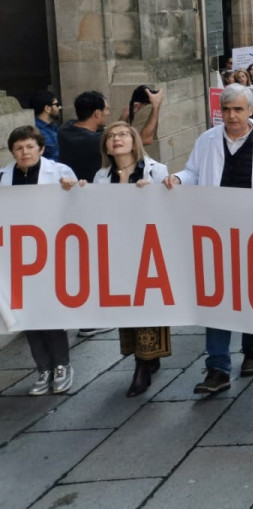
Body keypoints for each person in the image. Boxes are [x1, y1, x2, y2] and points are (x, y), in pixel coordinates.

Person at [166, 84, 253, 395]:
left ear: (251, 110)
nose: (232, 116)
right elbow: (194, 172)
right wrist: (178, 178)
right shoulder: (207, 140)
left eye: (238, 109)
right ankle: (217, 366)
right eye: (227, 109)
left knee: (251, 293)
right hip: (216, 232)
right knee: (216, 296)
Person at [91, 121, 172, 396]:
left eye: (123, 134)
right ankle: (145, 357)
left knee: (148, 305)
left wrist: (155, 193)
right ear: (106, 146)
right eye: (111, 136)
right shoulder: (101, 177)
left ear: (134, 141)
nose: (117, 139)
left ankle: (143, 365)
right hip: (118, 249)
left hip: (149, 248)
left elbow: (170, 207)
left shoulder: (155, 170)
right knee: (127, 306)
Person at [1, 125, 79, 396]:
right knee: (27, 314)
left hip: (50, 252)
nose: (24, 152)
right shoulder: (3, 177)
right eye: (19, 148)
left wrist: (71, 189)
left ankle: (62, 365)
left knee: (49, 311)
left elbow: (78, 206)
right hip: (16, 257)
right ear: (12, 152)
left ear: (41, 149)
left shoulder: (59, 173)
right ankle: (43, 367)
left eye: (30, 147)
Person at [58, 90, 110, 182]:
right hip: (91, 187)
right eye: (106, 109)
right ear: (97, 113)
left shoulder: (64, 129)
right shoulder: (97, 140)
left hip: (68, 185)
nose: (108, 113)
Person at [121, 85, 164, 153]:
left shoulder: (104, 134)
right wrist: (156, 105)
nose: (108, 113)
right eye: (106, 109)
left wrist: (126, 114)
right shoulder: (104, 138)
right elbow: (146, 140)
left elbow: (118, 131)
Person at [31, 90, 61, 161]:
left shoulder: (52, 126)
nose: (60, 107)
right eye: (56, 104)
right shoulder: (36, 131)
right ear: (47, 108)